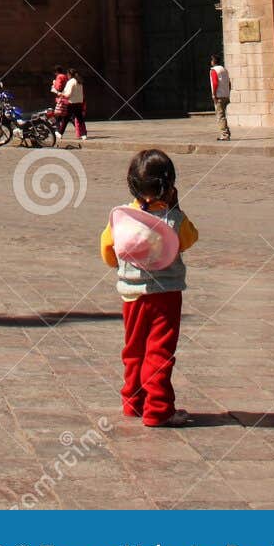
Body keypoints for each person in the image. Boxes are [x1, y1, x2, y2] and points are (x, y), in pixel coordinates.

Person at [100, 148, 198, 428]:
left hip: (131, 296)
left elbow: (108, 252)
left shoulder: (120, 217)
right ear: (170, 186)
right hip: (165, 297)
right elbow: (190, 239)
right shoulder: (174, 219)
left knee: (134, 348)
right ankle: (158, 409)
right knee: (159, 351)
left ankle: (133, 401)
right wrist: (175, 208)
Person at [58, 68, 87, 143]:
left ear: (69, 74)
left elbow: (68, 94)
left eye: (67, 74)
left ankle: (60, 133)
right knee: (80, 119)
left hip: (71, 103)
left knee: (65, 119)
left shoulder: (70, 82)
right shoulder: (79, 81)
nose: (67, 76)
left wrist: (60, 94)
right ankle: (84, 135)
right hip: (79, 103)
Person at [209, 56, 231, 142]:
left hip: (219, 96)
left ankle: (225, 134)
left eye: (211, 60)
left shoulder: (213, 70)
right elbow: (229, 83)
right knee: (223, 115)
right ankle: (227, 132)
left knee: (220, 116)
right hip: (225, 95)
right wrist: (228, 92)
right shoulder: (224, 69)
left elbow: (215, 82)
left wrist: (214, 94)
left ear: (213, 61)